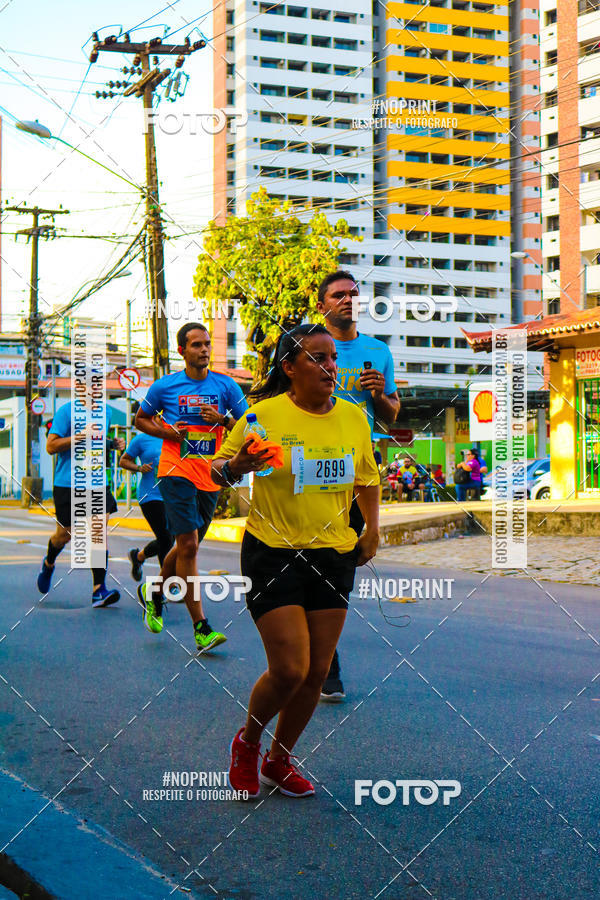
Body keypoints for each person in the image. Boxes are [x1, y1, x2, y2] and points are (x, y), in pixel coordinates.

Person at [212, 324, 380, 798]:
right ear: (289, 368)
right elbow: (217, 469)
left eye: (332, 358)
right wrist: (239, 466)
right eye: (318, 358)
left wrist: (372, 529)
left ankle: (278, 760)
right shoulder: (262, 417)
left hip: (333, 553)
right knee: (289, 668)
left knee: (318, 669)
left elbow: (367, 478)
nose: (330, 367)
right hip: (273, 551)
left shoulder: (352, 418)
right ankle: (247, 743)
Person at [134, 322, 248, 650]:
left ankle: (153, 593)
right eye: (196, 345)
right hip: (175, 470)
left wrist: (222, 420)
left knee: (186, 547)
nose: (204, 350)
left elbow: (249, 423)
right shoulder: (164, 387)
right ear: (182, 351)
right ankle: (201, 627)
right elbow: (140, 420)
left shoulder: (225, 386)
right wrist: (168, 433)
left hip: (212, 473)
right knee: (189, 546)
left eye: (207, 344)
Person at [316, 270, 399, 700]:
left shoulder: (377, 351)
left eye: (354, 294)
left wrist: (380, 394)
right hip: (309, 470)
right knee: (311, 560)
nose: (349, 301)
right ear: (322, 305)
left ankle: (328, 661)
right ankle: (315, 659)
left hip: (357, 472)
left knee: (340, 568)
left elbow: (391, 415)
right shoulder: (308, 346)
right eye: (339, 295)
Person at [36, 398, 125, 607]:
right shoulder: (66, 411)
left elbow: (97, 442)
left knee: (98, 533)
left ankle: (98, 590)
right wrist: (79, 436)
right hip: (68, 483)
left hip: (96, 483)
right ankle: (49, 563)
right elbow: (51, 445)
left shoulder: (106, 412)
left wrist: (112, 444)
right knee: (64, 535)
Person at [118, 431, 174, 600]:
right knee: (166, 538)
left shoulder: (176, 435)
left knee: (169, 538)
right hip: (150, 496)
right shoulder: (143, 438)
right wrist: (138, 468)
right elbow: (124, 460)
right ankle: (166, 586)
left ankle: (138, 556)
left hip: (172, 495)